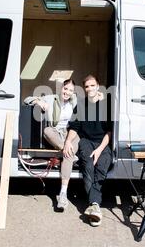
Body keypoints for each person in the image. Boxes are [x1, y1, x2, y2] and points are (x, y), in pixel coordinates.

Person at [62, 75, 112, 227]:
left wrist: (99, 150)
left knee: (103, 164)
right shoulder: (81, 106)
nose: (89, 89)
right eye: (87, 86)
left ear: (98, 86)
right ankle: (95, 205)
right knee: (88, 166)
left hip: (102, 142)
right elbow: (75, 127)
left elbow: (109, 132)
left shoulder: (107, 105)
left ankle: (93, 205)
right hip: (85, 141)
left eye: (92, 85)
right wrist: (68, 141)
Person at [23, 79, 77, 211]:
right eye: (65, 88)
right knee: (47, 131)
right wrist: (38, 101)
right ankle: (69, 153)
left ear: (73, 92)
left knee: (69, 152)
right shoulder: (51, 98)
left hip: (70, 134)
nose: (67, 92)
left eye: (70, 90)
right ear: (61, 88)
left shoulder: (75, 101)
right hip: (56, 134)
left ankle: (62, 194)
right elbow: (27, 99)